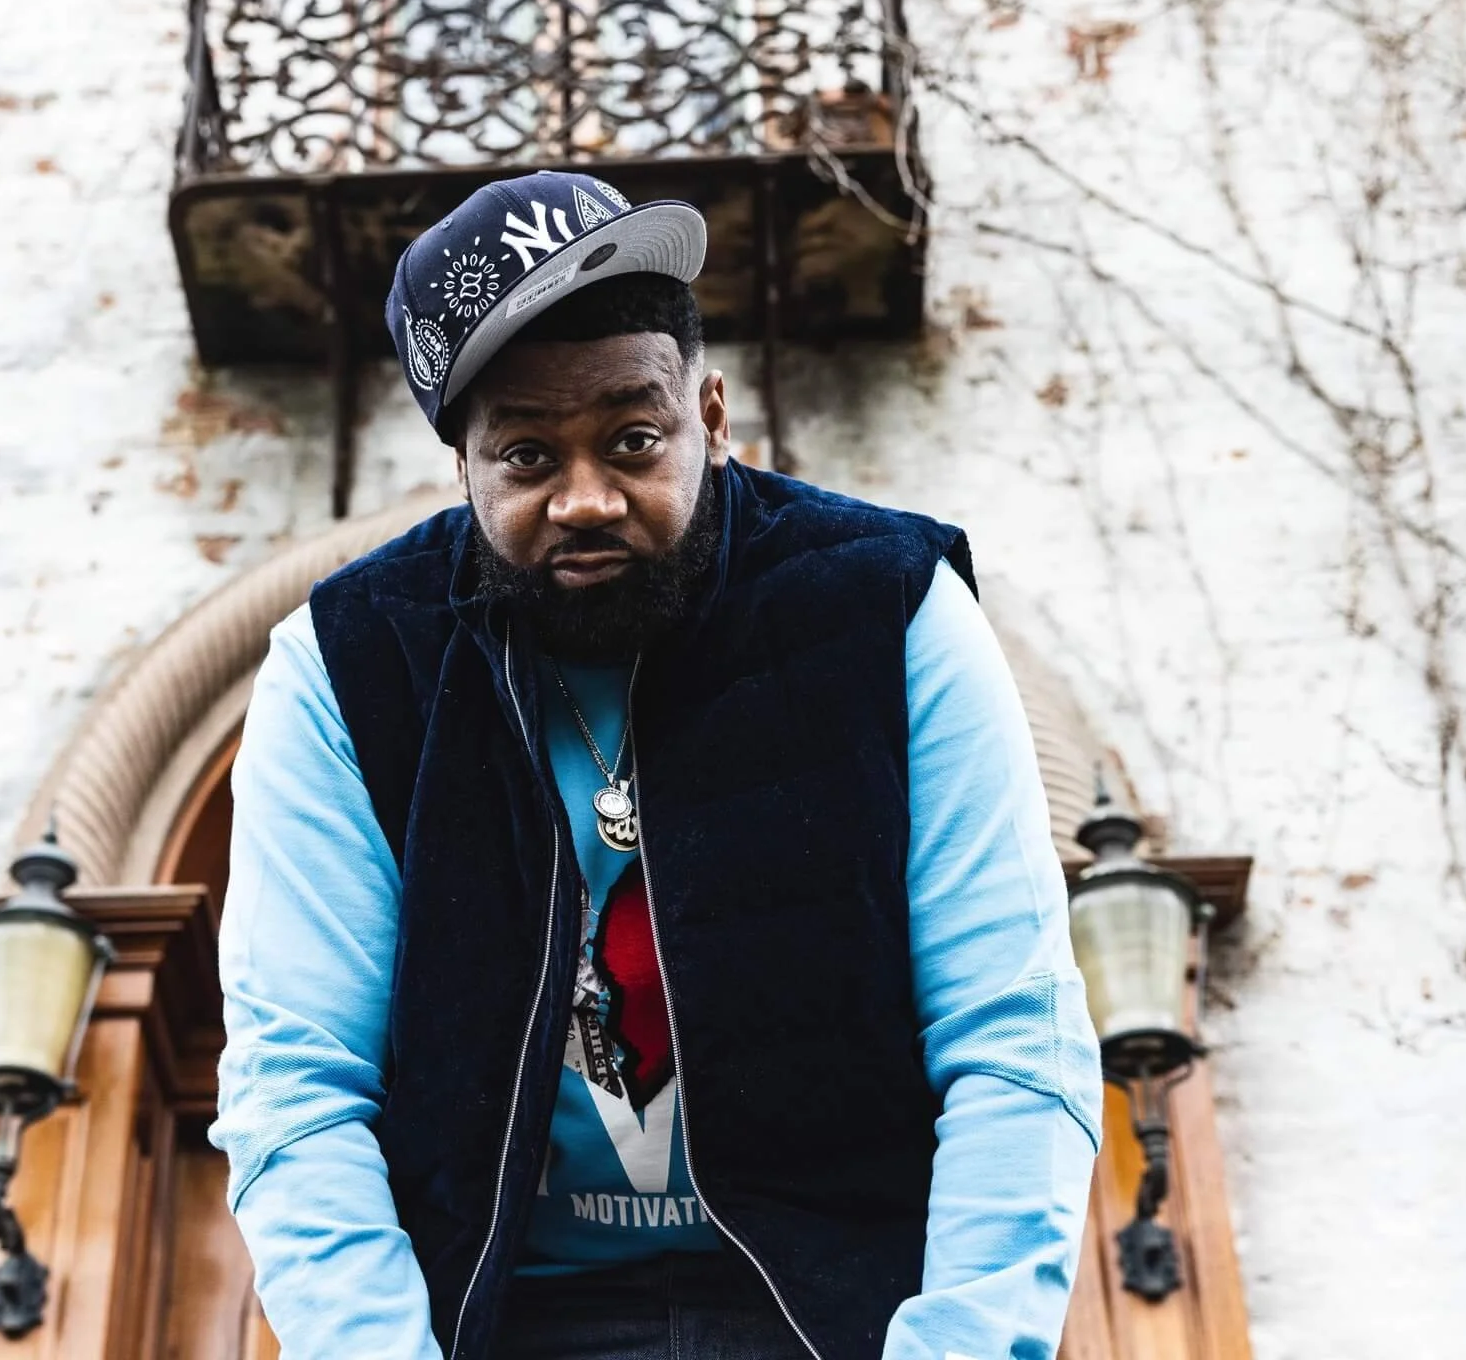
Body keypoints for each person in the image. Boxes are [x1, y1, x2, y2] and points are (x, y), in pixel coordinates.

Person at [211, 170, 1102, 1360]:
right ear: (461, 469)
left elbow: (1008, 1031)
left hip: (841, 1322)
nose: (585, 500)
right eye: (525, 457)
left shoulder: (888, 609)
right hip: (497, 1324)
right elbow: (298, 1088)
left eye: (633, 439)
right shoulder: (347, 664)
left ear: (713, 415)